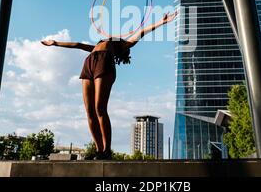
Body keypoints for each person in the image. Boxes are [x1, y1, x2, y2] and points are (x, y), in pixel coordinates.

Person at [41, 11, 177, 160]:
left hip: (103, 64)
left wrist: (162, 22)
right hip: (88, 63)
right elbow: (78, 45)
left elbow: (142, 31)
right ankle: (98, 150)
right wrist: (55, 43)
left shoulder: (122, 45)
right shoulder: (97, 46)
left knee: (100, 108)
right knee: (89, 111)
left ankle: (107, 150)